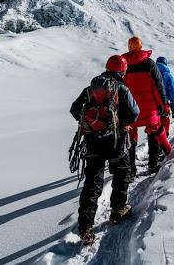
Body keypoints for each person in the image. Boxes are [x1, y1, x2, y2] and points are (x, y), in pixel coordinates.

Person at [69, 55, 139, 245]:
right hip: (116, 141)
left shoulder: (90, 89)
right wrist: (119, 123)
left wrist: (93, 124)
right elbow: (134, 113)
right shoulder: (121, 88)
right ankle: (118, 210)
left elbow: (75, 110)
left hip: (92, 142)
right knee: (121, 174)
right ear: (121, 71)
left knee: (92, 182)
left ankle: (85, 226)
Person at [122, 36, 172, 175]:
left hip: (131, 109)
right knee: (154, 132)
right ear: (141, 46)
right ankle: (153, 163)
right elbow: (158, 86)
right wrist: (163, 104)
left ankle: (131, 169)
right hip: (150, 109)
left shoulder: (124, 64)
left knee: (130, 137)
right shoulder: (149, 63)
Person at [156, 56, 174, 138]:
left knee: (155, 123)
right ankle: (164, 139)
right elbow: (172, 91)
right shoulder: (167, 75)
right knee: (165, 120)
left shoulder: (150, 72)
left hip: (153, 103)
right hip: (164, 102)